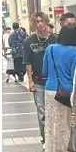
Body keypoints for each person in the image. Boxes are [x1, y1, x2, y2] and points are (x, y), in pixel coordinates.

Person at [41, 24, 76, 152]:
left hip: (50, 91)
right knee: (68, 127)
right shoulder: (75, 52)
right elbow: (74, 75)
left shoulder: (50, 49)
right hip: (67, 93)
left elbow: (44, 71)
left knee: (53, 126)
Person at [25, 14, 55, 143]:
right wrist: (30, 80)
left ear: (46, 22)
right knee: (42, 111)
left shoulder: (54, 39)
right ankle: (45, 139)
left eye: (42, 21)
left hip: (54, 80)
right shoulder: (29, 41)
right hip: (38, 81)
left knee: (54, 111)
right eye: (37, 22)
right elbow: (28, 62)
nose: (40, 24)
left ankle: (54, 138)